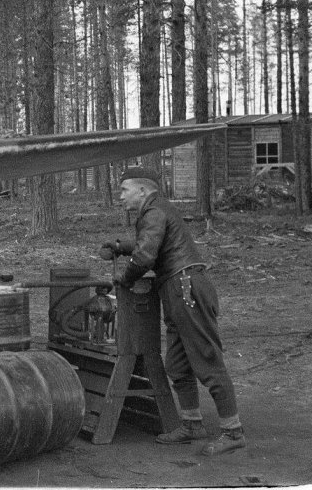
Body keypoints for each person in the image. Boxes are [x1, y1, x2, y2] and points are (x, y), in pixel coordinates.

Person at [102, 166, 246, 456]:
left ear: (142, 191)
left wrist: (125, 279)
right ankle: (192, 424)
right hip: (178, 289)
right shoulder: (156, 210)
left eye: (124, 190)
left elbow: (145, 255)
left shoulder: (153, 211)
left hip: (186, 288)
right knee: (178, 362)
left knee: (206, 357)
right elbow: (149, 243)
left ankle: (233, 432)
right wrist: (120, 245)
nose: (120, 197)